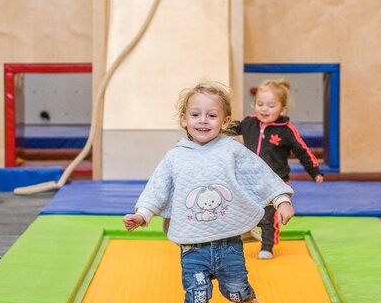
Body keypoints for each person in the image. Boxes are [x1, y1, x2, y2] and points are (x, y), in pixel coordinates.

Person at [123, 80, 295, 303]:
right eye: (195, 115)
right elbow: (158, 187)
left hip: (229, 243)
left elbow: (259, 174)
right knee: (196, 295)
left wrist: (281, 200)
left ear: (225, 122)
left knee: (238, 291)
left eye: (212, 116)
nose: (203, 120)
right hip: (192, 248)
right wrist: (142, 214)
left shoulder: (232, 150)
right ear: (184, 119)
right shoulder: (176, 156)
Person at [231, 78, 323, 260]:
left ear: (283, 109)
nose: (264, 109)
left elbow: (302, 150)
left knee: (268, 216)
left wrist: (314, 170)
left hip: (275, 181)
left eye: (271, 106)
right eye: (260, 104)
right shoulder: (249, 123)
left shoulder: (286, 130)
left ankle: (267, 246)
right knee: (242, 211)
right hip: (248, 180)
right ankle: (239, 239)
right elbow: (230, 128)